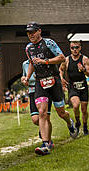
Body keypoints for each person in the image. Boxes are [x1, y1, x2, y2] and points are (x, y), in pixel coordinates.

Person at [23, 22, 77, 156]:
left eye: (33, 32)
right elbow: (31, 62)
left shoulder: (49, 43)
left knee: (61, 112)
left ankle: (69, 123)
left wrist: (45, 61)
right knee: (42, 112)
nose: (31, 35)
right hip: (40, 82)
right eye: (29, 33)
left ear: (39, 31)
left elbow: (61, 58)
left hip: (54, 81)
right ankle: (46, 144)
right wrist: (27, 76)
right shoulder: (28, 48)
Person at [59, 41, 89, 136]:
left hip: (83, 86)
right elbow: (60, 69)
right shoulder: (67, 60)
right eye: (72, 48)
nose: (75, 50)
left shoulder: (85, 59)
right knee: (76, 105)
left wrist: (84, 70)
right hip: (73, 86)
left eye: (77, 47)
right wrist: (61, 78)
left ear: (80, 48)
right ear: (70, 49)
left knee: (84, 109)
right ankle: (77, 122)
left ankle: (85, 127)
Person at [21, 60, 54, 153]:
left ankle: (48, 141)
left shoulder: (41, 61)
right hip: (32, 91)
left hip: (44, 90)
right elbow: (23, 76)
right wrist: (24, 79)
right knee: (36, 119)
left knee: (45, 117)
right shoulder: (25, 64)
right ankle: (42, 128)